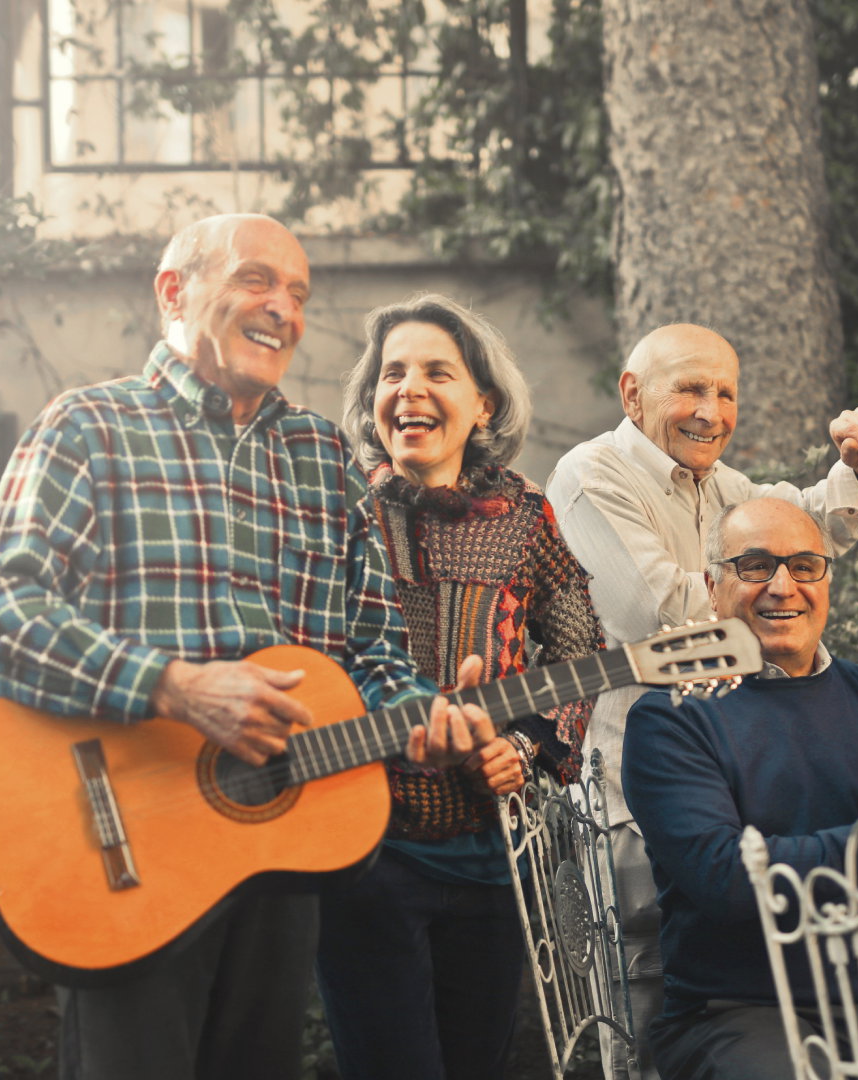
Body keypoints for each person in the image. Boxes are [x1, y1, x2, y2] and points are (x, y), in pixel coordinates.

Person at [0, 215, 495, 1080]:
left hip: (279, 851)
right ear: (175, 291)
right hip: (119, 846)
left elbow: (372, 654)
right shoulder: (89, 427)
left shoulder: (323, 457)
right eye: (256, 281)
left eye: (298, 294)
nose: (282, 308)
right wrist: (169, 687)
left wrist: (424, 715)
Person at [543, 322, 858, 1079]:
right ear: (632, 395)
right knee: (646, 1006)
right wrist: (763, 579)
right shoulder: (591, 474)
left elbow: (793, 524)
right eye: (691, 389)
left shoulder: (722, 486)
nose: (712, 411)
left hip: (737, 769)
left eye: (726, 393)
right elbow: (660, 611)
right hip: (633, 783)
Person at [321, 293, 605, 1079]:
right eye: (392, 373)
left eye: (436, 372)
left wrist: (525, 745)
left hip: (491, 853)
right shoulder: (337, 512)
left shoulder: (525, 515)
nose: (408, 388)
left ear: (482, 403)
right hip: (364, 850)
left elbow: (579, 639)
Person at [622, 497, 858, 1080]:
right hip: (741, 1010)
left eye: (806, 565)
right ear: (712, 586)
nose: (784, 586)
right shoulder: (671, 717)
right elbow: (729, 879)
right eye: (755, 566)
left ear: (827, 580)